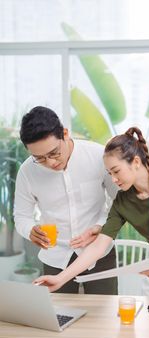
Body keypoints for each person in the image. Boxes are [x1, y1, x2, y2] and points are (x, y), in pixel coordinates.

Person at [34, 127, 149, 298]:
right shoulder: (122, 201)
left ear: (135, 162)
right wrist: (60, 278)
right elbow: (98, 246)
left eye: (116, 171)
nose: (113, 179)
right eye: (109, 173)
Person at [14, 106, 119, 294]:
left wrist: (104, 226)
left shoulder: (98, 156)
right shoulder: (27, 171)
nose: (51, 162)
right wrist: (30, 230)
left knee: (105, 315)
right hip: (55, 257)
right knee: (58, 318)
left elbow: (120, 202)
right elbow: (21, 216)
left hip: (99, 253)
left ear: (64, 133)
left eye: (54, 152)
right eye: (39, 158)